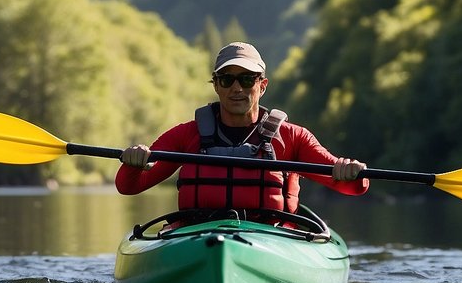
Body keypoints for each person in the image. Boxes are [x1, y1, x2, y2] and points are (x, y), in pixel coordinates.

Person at [116, 42, 368, 217]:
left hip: (272, 238)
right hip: (200, 235)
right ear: (216, 85)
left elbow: (352, 187)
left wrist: (352, 171)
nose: (237, 88)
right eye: (227, 79)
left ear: (262, 86)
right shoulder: (185, 135)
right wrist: (133, 163)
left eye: (247, 79)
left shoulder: (294, 138)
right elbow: (129, 186)